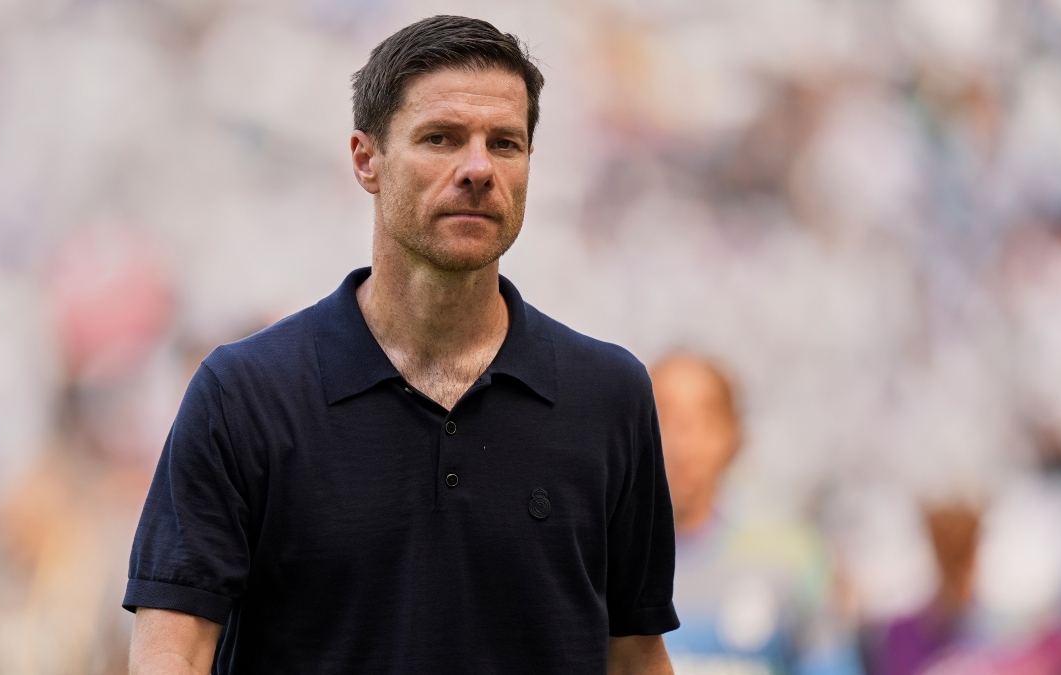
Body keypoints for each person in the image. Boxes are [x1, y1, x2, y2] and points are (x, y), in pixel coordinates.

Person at [124, 16, 679, 675]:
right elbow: (173, 651)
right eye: (441, 138)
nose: (478, 169)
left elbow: (635, 654)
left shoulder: (609, 396)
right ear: (367, 160)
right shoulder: (244, 395)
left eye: (505, 143)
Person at [652, 353, 863, 675]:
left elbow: (830, 662)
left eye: (704, 420)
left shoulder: (789, 556)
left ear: (734, 434)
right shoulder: (600, 568)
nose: (683, 442)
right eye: (663, 418)